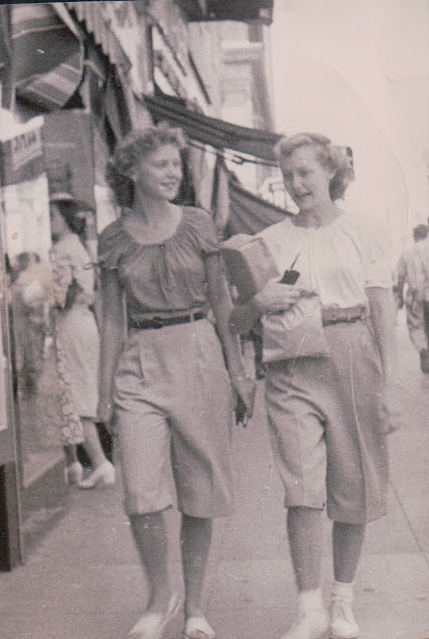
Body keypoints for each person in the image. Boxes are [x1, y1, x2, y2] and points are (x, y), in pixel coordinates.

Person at [230, 133, 399, 639]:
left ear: (330, 172)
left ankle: (342, 601)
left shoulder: (364, 231)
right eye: (288, 176)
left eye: (305, 172)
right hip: (292, 364)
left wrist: (389, 384)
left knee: (354, 484)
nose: (296, 184)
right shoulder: (270, 241)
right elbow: (237, 320)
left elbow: (381, 306)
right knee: (301, 488)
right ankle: (308, 609)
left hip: (352, 354)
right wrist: (260, 302)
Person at [97, 124, 255, 639]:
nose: (173, 173)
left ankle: (196, 609)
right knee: (140, 492)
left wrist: (238, 372)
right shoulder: (113, 238)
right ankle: (159, 597)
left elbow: (222, 303)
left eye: (176, 164)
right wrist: (102, 394)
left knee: (199, 492)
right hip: (139, 359)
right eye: (161, 164)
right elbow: (113, 320)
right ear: (132, 171)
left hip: (199, 353)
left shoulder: (198, 224)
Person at [49, 192, 115, 488]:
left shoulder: (64, 250)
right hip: (82, 323)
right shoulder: (77, 247)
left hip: (71, 325)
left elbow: (62, 296)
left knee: (74, 394)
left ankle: (99, 463)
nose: (48, 222)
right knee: (71, 392)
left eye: (52, 216)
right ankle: (73, 462)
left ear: (65, 219)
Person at [395, 223, 429, 373]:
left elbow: (401, 277)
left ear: (414, 236)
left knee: (416, 326)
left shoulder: (406, 253)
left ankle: (423, 349)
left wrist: (400, 297)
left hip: (415, 296)